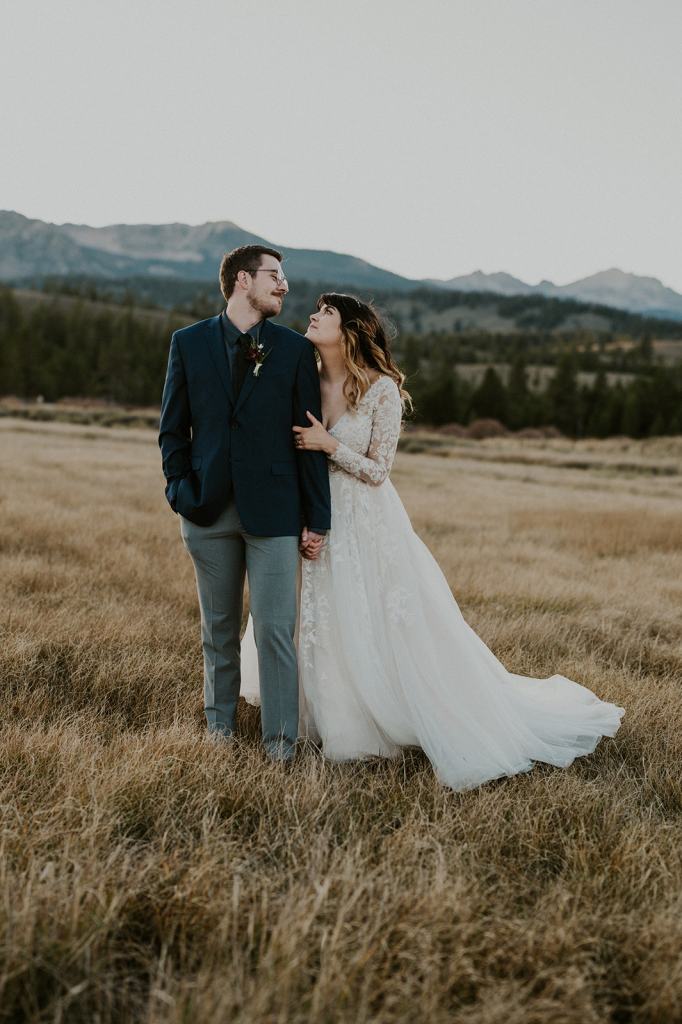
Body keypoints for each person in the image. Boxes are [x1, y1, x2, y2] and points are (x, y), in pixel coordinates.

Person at [240, 293, 624, 790]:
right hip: (313, 515)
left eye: (326, 313)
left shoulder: (381, 390)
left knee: (369, 616)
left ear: (351, 330)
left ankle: (378, 716)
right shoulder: (306, 380)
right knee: (316, 615)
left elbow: (378, 471)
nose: (312, 316)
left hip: (364, 521)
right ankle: (318, 714)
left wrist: (329, 444)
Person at [158, 246, 331, 761]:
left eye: (283, 277)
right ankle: (220, 734)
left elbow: (308, 438)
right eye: (274, 275)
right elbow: (172, 430)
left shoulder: (294, 351)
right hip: (206, 510)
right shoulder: (188, 343)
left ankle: (280, 746)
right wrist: (180, 491)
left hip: (275, 513)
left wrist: (316, 517)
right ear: (242, 280)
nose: (284, 285)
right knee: (218, 630)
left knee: (276, 633)